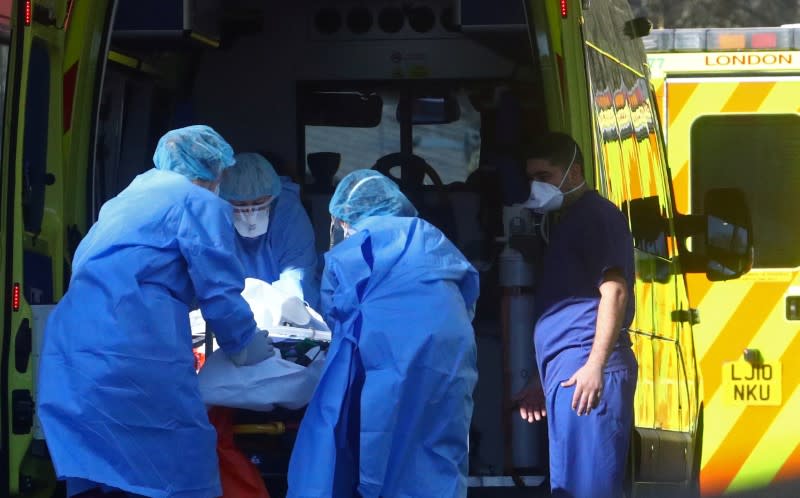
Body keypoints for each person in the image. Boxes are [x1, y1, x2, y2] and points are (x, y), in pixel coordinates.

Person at [37, 125, 276, 498]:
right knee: (175, 459)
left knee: (100, 469)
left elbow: (140, 267)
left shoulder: (127, 198)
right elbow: (219, 290)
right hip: (130, 345)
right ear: (212, 171)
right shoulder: (197, 201)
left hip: (70, 348)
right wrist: (246, 343)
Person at [287, 170, 479, 498]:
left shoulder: (352, 251)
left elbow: (335, 320)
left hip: (391, 352)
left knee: (380, 441)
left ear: (344, 218)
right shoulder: (431, 237)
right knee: (438, 443)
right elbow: (469, 291)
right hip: (451, 351)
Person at [513, 132, 638, 498]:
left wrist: (595, 365)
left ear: (573, 172)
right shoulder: (570, 220)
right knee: (570, 485)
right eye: (532, 178)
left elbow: (613, 291)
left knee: (589, 485)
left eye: (545, 176)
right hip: (571, 371)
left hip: (586, 369)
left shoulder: (596, 218)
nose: (537, 186)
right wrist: (542, 377)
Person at [219, 152, 319, 308]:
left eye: (259, 202)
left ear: (273, 196)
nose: (250, 214)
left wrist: (286, 313)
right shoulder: (217, 217)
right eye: (240, 204)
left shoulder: (288, 213)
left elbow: (296, 274)